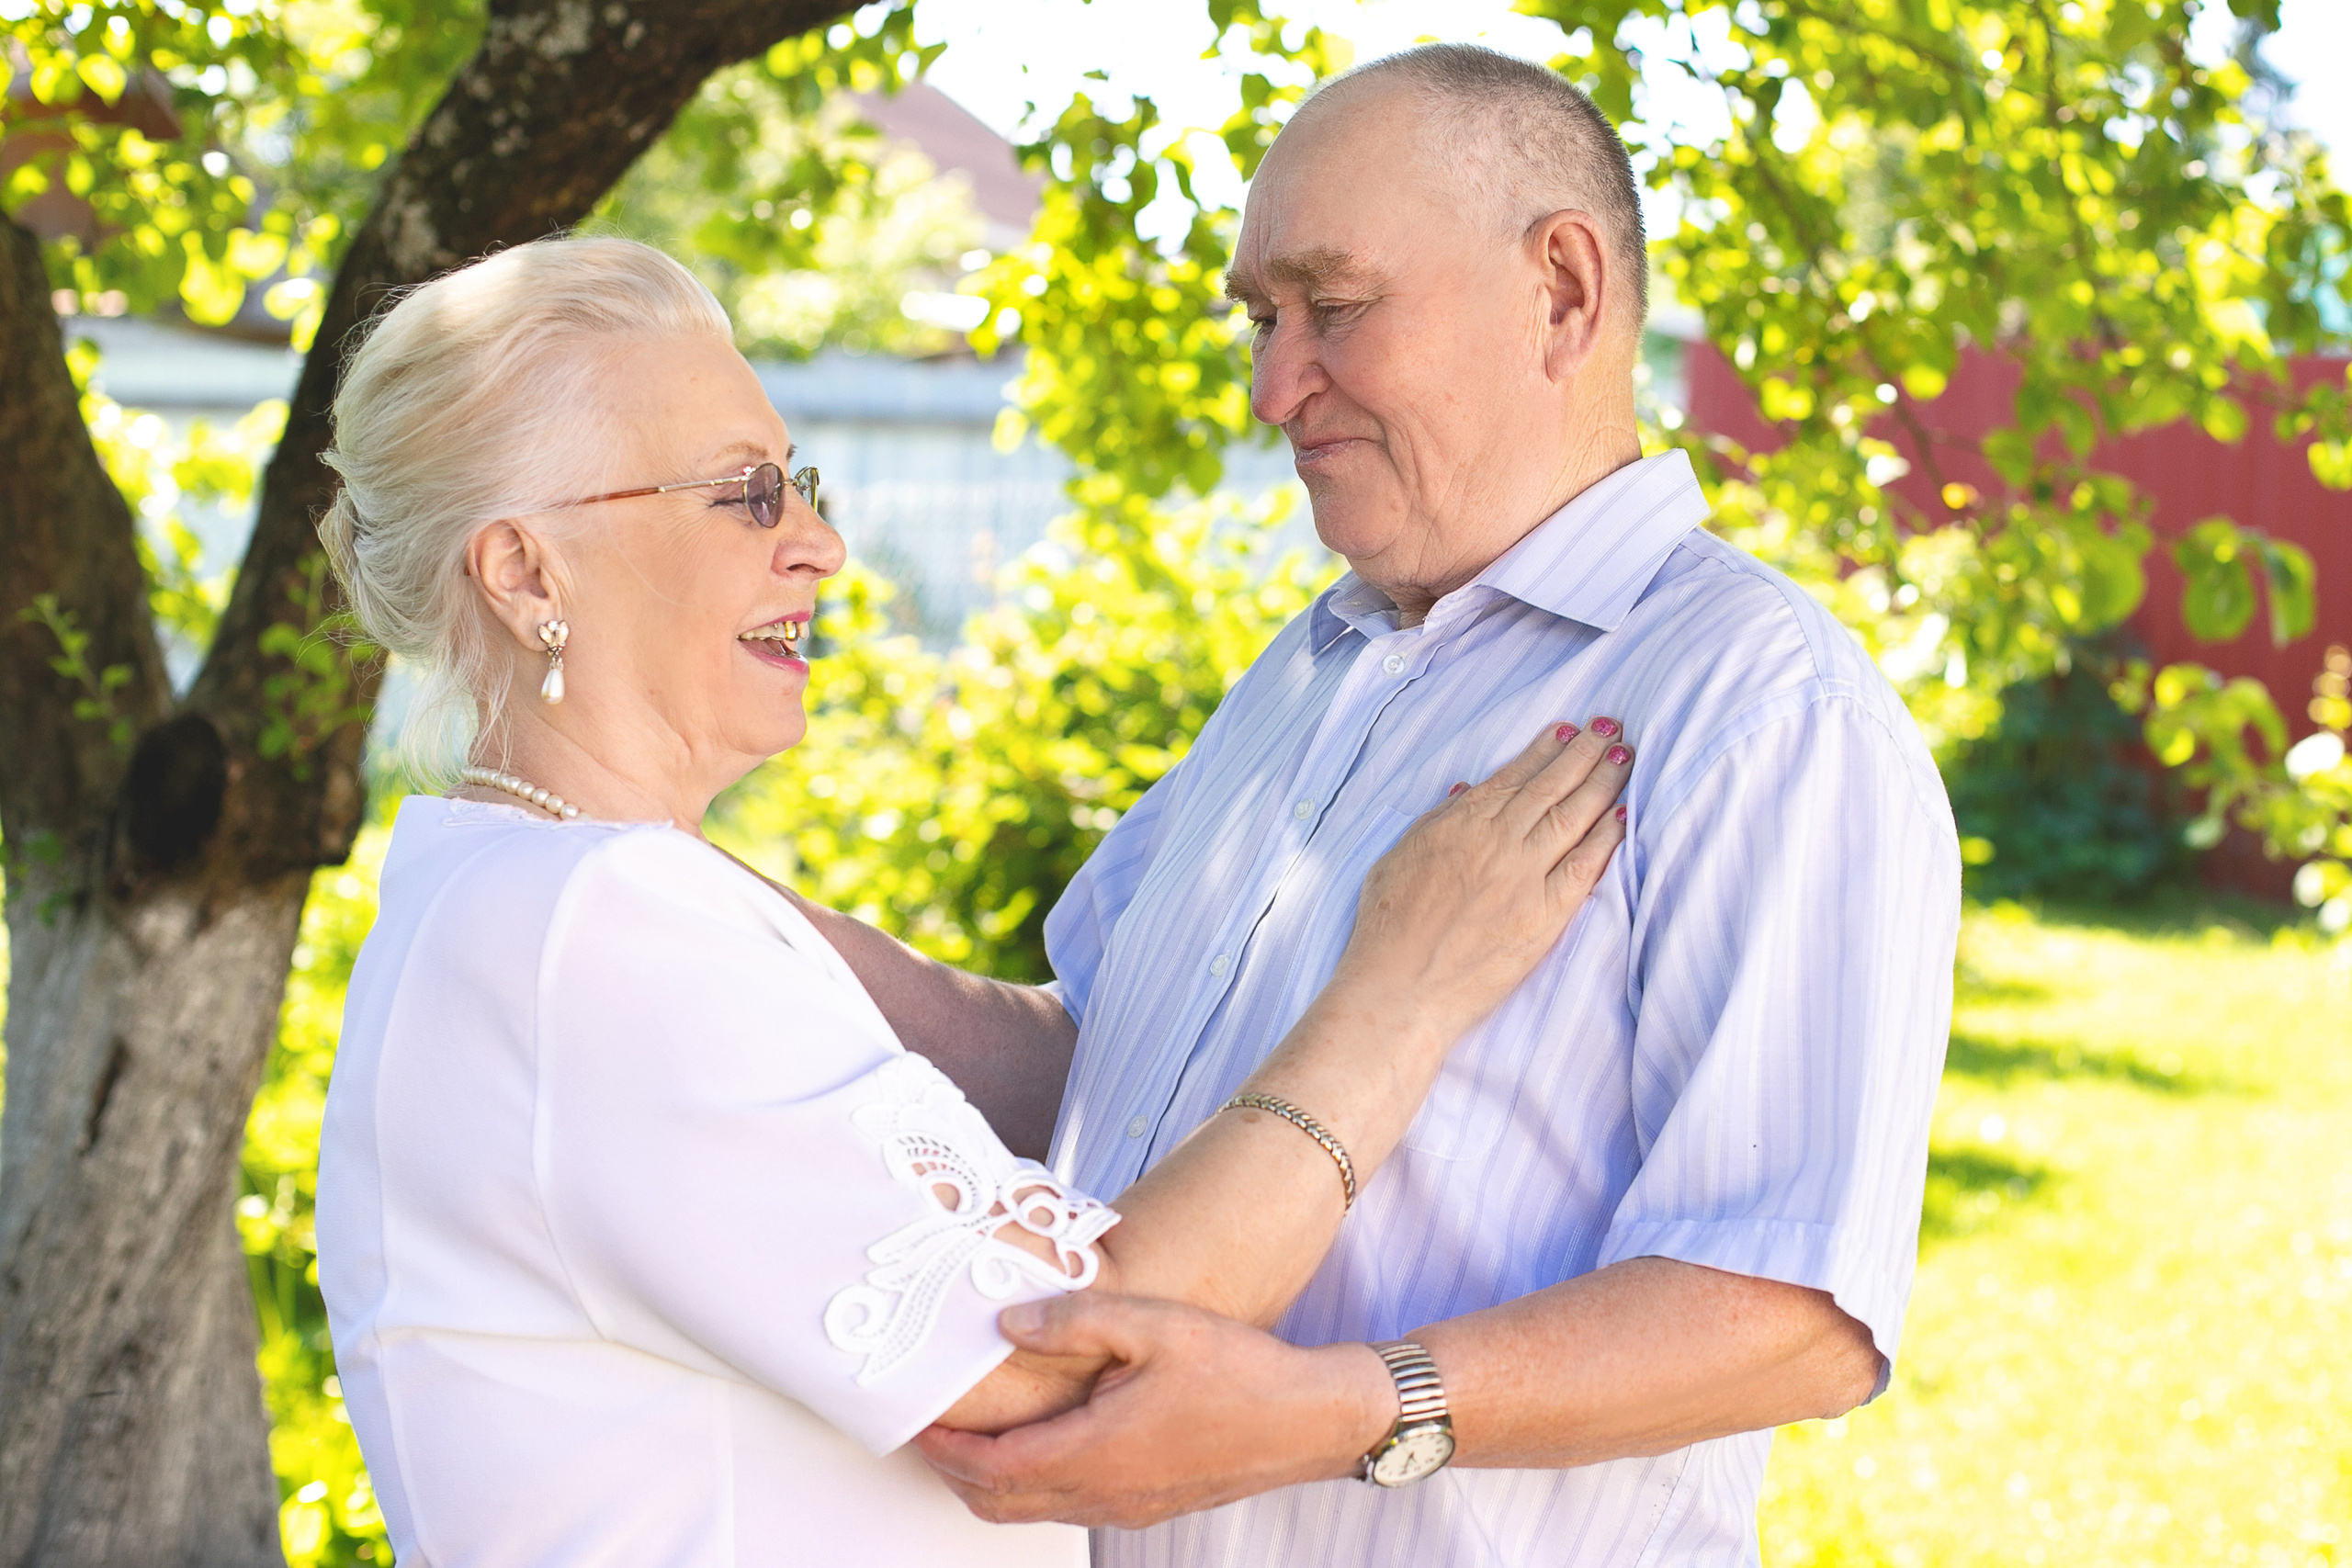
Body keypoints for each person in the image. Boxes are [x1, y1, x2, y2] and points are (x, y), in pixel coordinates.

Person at [309, 233, 1634, 1567]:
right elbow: (1075, 1364)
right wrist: (1401, 999)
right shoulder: (590, 936)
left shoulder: (538, 901)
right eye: (745, 497)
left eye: (799, 486)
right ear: (528, 571)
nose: (820, 545)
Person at [910, 43, 1962, 1565]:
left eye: (1334, 308)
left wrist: (1341, 1408)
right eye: (1262, 321)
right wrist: (696, 909)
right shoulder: (1317, 657)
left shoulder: (1757, 711)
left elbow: (1790, 1314)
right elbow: (1092, 1060)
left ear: (1562, 293)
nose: (1273, 385)